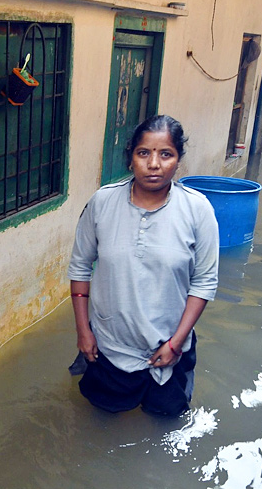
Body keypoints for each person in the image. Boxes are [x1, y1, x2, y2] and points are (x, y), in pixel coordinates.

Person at [68, 115, 219, 417]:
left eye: (166, 154)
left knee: (165, 419)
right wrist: (83, 331)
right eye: (143, 153)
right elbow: (80, 267)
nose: (154, 164)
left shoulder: (198, 209)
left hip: (169, 349)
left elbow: (204, 282)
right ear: (130, 158)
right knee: (99, 419)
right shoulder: (102, 203)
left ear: (178, 161)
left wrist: (176, 344)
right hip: (108, 346)